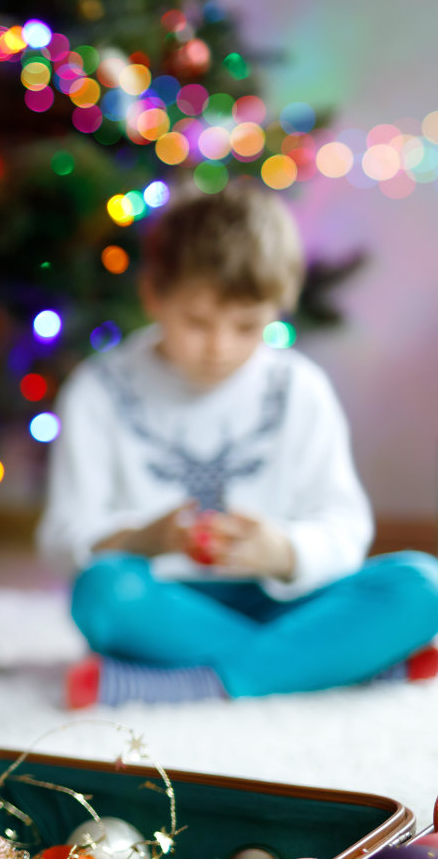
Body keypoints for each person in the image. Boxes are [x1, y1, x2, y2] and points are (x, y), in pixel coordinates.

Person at [36, 181, 438, 708]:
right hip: (168, 606)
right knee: (103, 594)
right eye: (197, 323)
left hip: (289, 601)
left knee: (422, 585)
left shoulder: (299, 389)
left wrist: (284, 551)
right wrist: (141, 538)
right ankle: (338, 669)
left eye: (246, 326)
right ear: (154, 294)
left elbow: (345, 527)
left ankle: (193, 685)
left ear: (279, 307)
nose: (219, 347)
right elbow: (63, 539)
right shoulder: (99, 390)